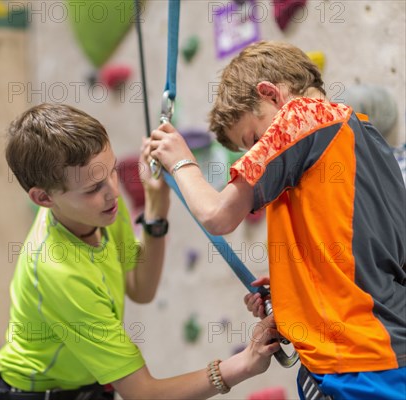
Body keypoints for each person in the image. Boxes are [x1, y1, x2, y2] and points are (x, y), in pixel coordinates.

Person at [148, 41, 406, 400]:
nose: (258, 150)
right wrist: (295, 287)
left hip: (356, 360)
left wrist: (180, 161)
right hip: (386, 347)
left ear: (271, 95)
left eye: (254, 139)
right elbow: (374, 248)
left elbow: (217, 215)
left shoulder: (299, 117)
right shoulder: (364, 134)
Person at [0, 103, 280, 400]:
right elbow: (143, 394)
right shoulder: (59, 272)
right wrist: (243, 364)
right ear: (43, 197)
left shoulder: (97, 208)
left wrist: (156, 207)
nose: (113, 191)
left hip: (87, 388)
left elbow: (140, 288)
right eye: (92, 188)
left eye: (112, 171)